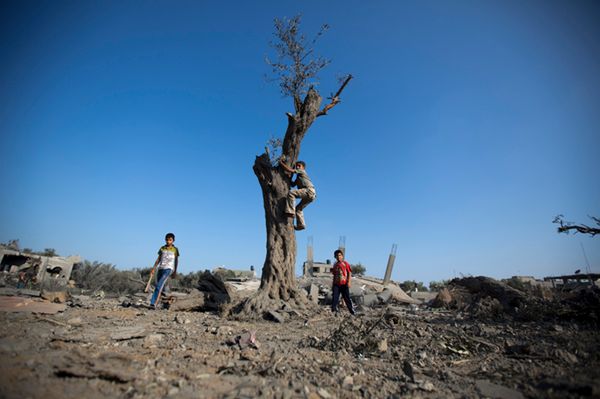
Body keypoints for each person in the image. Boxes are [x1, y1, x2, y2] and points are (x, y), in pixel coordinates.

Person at [280, 159, 316, 230]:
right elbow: (293, 184)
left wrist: (281, 163)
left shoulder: (302, 171)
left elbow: (290, 170)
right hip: (311, 196)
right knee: (298, 209)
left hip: (309, 191)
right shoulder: (298, 177)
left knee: (291, 193)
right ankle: (301, 225)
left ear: (303, 167)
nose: (297, 167)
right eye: (296, 166)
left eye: (299, 166)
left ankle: (290, 212)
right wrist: (289, 178)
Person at [149, 232, 180, 309]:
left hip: (168, 269)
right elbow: (158, 259)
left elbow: (176, 261)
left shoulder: (175, 250)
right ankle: (164, 302)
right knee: (160, 286)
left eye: (170, 240)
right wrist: (153, 268)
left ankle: (153, 303)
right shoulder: (162, 248)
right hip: (161, 268)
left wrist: (175, 271)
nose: (168, 241)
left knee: (159, 285)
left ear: (173, 240)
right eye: (167, 240)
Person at [331, 249, 355, 315]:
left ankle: (352, 312)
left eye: (340, 255)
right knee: (335, 298)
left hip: (344, 284)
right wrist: (333, 285)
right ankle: (333, 311)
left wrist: (349, 282)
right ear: (335, 257)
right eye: (337, 256)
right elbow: (334, 275)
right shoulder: (335, 265)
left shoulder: (345, 263)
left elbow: (349, 272)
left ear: (342, 256)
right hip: (336, 285)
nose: (338, 257)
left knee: (347, 298)